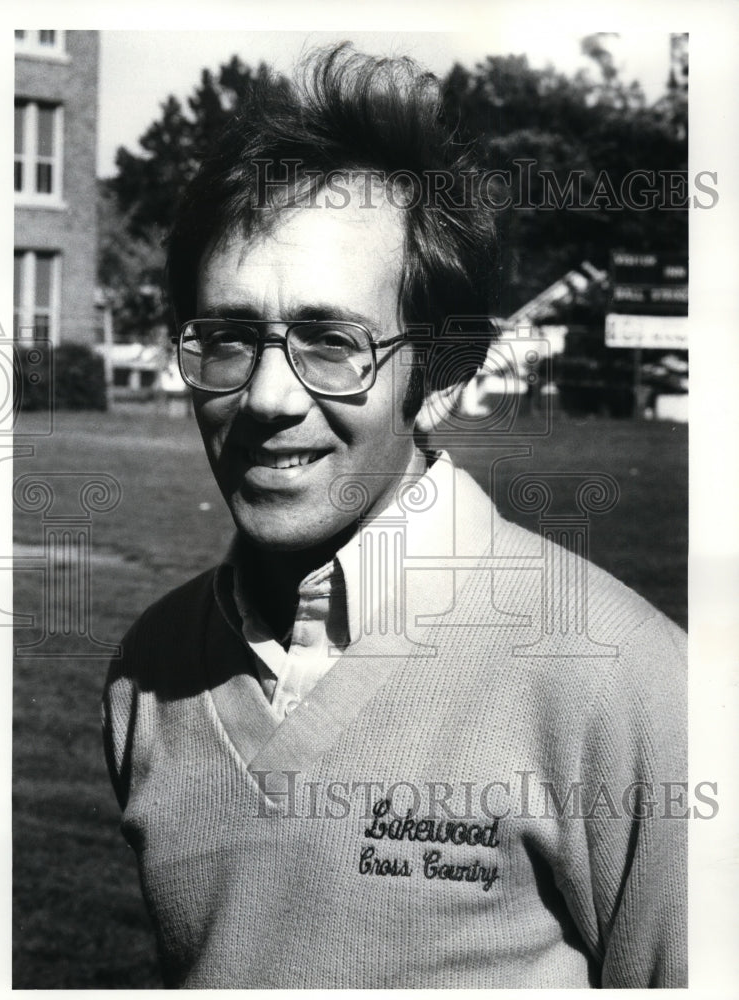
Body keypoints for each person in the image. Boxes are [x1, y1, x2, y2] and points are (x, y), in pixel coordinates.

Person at [102, 45, 687, 989]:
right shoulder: (149, 674)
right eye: (229, 338)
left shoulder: (628, 685)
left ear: (443, 377)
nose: (266, 398)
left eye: (334, 344)